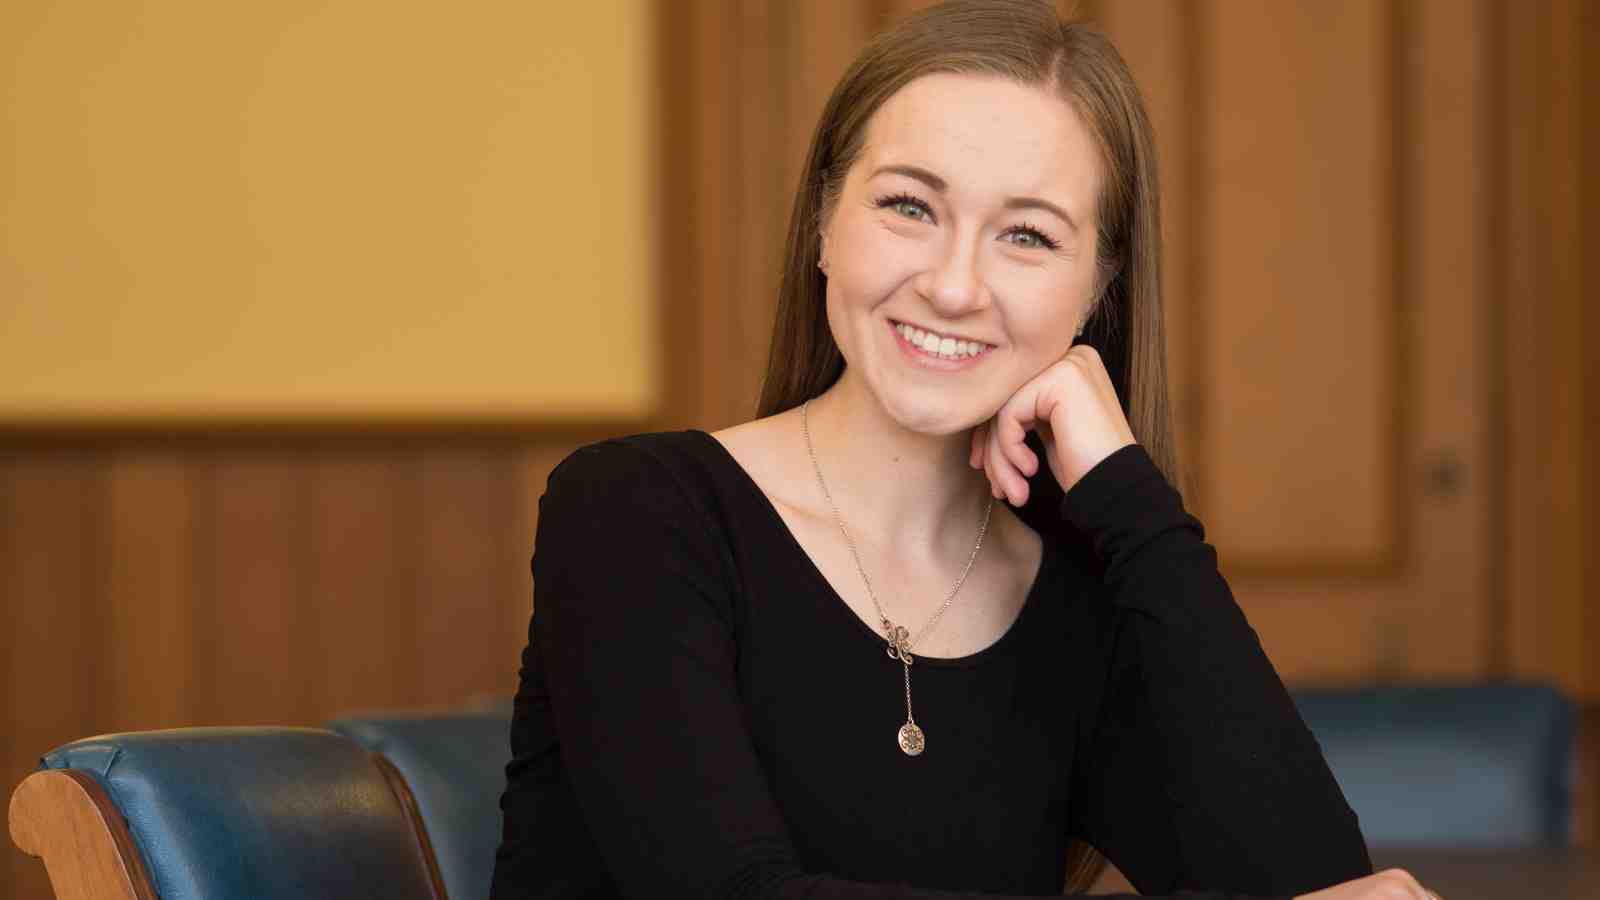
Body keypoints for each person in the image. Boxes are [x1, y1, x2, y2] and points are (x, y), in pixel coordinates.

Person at [491, 2, 1443, 898]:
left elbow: (1317, 882)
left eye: (1026, 235)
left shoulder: (1074, 599)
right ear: (824, 223)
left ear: (1097, 291)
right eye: (910, 206)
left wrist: (1128, 497)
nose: (953, 286)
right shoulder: (633, 513)